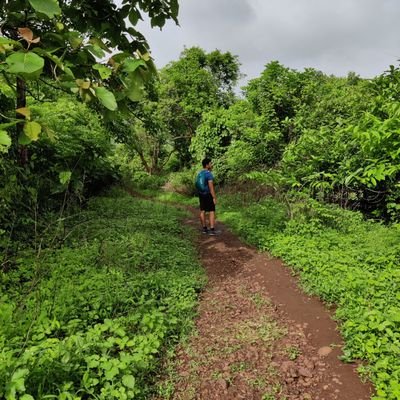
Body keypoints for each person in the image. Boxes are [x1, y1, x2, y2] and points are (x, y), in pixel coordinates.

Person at [196, 158, 217, 235]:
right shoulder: (209, 174)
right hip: (208, 194)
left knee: (202, 211)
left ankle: (204, 229)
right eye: (210, 163)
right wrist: (214, 197)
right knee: (211, 211)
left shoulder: (199, 173)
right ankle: (212, 230)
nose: (211, 165)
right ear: (207, 165)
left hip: (201, 194)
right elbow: (211, 188)